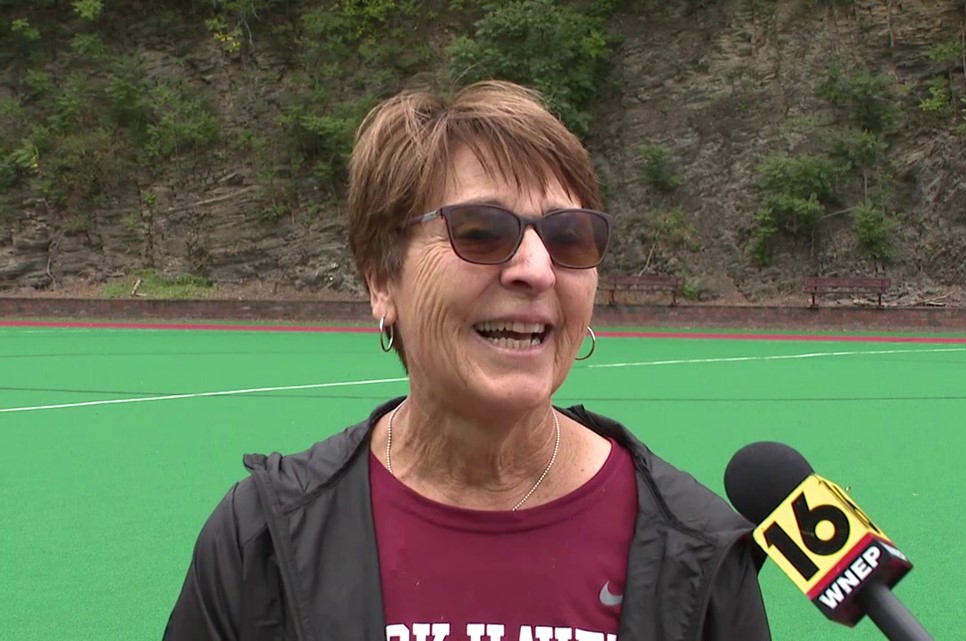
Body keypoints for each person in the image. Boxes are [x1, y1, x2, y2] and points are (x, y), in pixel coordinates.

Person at [163, 80, 771, 641]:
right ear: (381, 279)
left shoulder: (697, 544)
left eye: (568, 237)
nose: (537, 270)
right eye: (480, 231)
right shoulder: (260, 540)